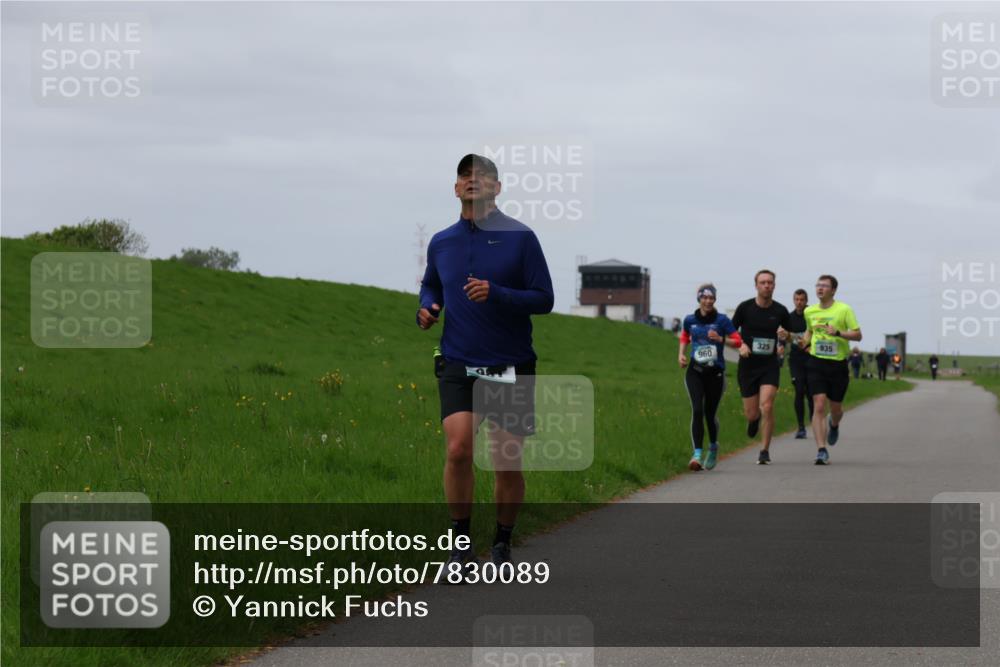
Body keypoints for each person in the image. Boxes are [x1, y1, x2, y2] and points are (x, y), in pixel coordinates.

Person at [417, 153, 554, 573]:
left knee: (505, 459)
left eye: (482, 176)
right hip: (459, 359)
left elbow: (544, 299)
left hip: (509, 363)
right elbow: (430, 284)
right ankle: (460, 549)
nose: (472, 181)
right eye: (465, 176)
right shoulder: (442, 241)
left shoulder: (521, 238)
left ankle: (501, 543)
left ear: (497, 187)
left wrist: (497, 293)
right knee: (458, 448)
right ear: (456, 188)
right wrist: (427, 307)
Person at [678, 284, 743, 471]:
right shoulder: (690, 319)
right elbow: (684, 336)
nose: (707, 301)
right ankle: (697, 454)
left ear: (714, 300)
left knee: (709, 413)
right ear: (699, 299)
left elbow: (738, 341)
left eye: (711, 298)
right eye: (704, 298)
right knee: (697, 409)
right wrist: (681, 354)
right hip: (695, 371)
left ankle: (713, 446)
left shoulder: (722, 320)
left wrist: (720, 339)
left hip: (715, 374)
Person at [799, 274, 862, 465]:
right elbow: (809, 331)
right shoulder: (809, 311)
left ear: (833, 290)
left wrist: (838, 333)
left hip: (838, 364)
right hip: (816, 362)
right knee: (818, 404)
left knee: (835, 409)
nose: (820, 289)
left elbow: (858, 335)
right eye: (818, 285)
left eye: (825, 286)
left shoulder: (844, 310)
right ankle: (821, 449)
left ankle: (834, 424)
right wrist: (802, 341)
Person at [732, 269, 790, 465]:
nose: (767, 285)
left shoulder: (780, 311)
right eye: (763, 282)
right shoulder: (745, 308)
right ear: (756, 285)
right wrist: (741, 345)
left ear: (774, 285)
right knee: (753, 412)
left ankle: (764, 451)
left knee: (767, 405)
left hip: (769, 365)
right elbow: (731, 333)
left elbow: (791, 335)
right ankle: (753, 420)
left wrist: (785, 337)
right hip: (748, 366)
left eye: (770, 282)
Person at [787, 288, 814, 439]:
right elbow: (784, 335)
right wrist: (780, 346)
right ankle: (801, 427)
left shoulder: (812, 315)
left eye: (802, 300)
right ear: (793, 300)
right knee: (799, 391)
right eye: (796, 300)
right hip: (796, 359)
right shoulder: (789, 318)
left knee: (811, 392)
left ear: (806, 300)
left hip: (811, 358)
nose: (799, 302)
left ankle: (813, 421)